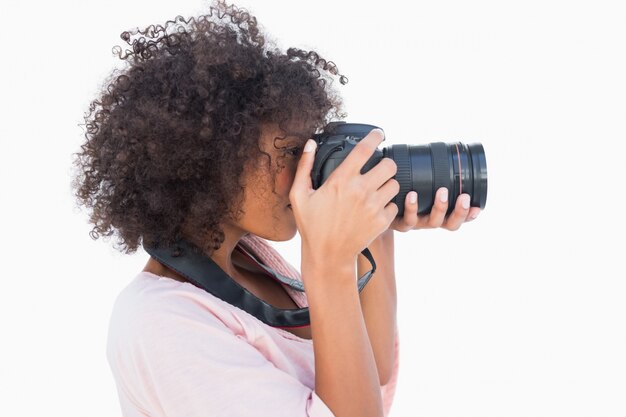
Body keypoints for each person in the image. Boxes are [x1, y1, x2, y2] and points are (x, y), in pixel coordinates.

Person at [72, 1, 480, 416]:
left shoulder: (249, 264)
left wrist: (373, 221)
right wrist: (329, 262)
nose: (308, 166)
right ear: (210, 162)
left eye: (310, 146)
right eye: (288, 152)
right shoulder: (158, 322)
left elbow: (370, 370)